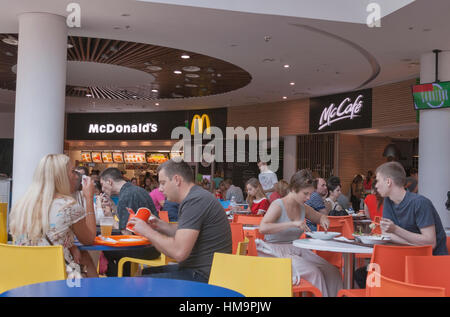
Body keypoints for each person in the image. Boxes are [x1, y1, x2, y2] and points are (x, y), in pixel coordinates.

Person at [128, 160, 232, 283]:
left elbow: (178, 252)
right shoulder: (196, 196)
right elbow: (182, 232)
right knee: (144, 273)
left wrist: (147, 232)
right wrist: (159, 224)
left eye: (163, 183)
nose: (160, 189)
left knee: (137, 283)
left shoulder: (195, 200)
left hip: (204, 278)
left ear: (177, 180)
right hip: (204, 272)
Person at [355, 162, 448, 288]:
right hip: (406, 261)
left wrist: (396, 229)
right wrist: (414, 244)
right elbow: (387, 235)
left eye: (377, 181)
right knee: (363, 275)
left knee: (373, 280)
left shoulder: (420, 203)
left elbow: (430, 243)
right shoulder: (389, 202)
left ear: (388, 182)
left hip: (431, 266)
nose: (375, 186)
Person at [9, 154, 98, 279]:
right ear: (61, 177)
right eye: (72, 171)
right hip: (57, 279)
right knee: (86, 263)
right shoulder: (68, 206)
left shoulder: (22, 205)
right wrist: (89, 198)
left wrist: (71, 246)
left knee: (84, 256)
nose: (76, 176)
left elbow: (43, 233)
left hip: (22, 277)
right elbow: (89, 239)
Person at [258, 169, 343, 297]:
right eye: (305, 194)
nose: (308, 198)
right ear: (293, 189)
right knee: (315, 273)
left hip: (297, 250)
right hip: (275, 252)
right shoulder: (278, 205)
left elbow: (320, 217)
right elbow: (263, 228)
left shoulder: (303, 207)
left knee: (332, 272)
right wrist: (292, 224)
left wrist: (323, 219)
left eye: (310, 194)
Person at [99, 168, 161, 277]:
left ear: (110, 181)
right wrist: (113, 207)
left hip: (146, 248)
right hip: (154, 245)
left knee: (106, 250)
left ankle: (120, 282)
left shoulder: (126, 196)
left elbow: (126, 235)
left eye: (103, 184)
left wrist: (110, 218)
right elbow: (130, 221)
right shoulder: (135, 190)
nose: (102, 189)